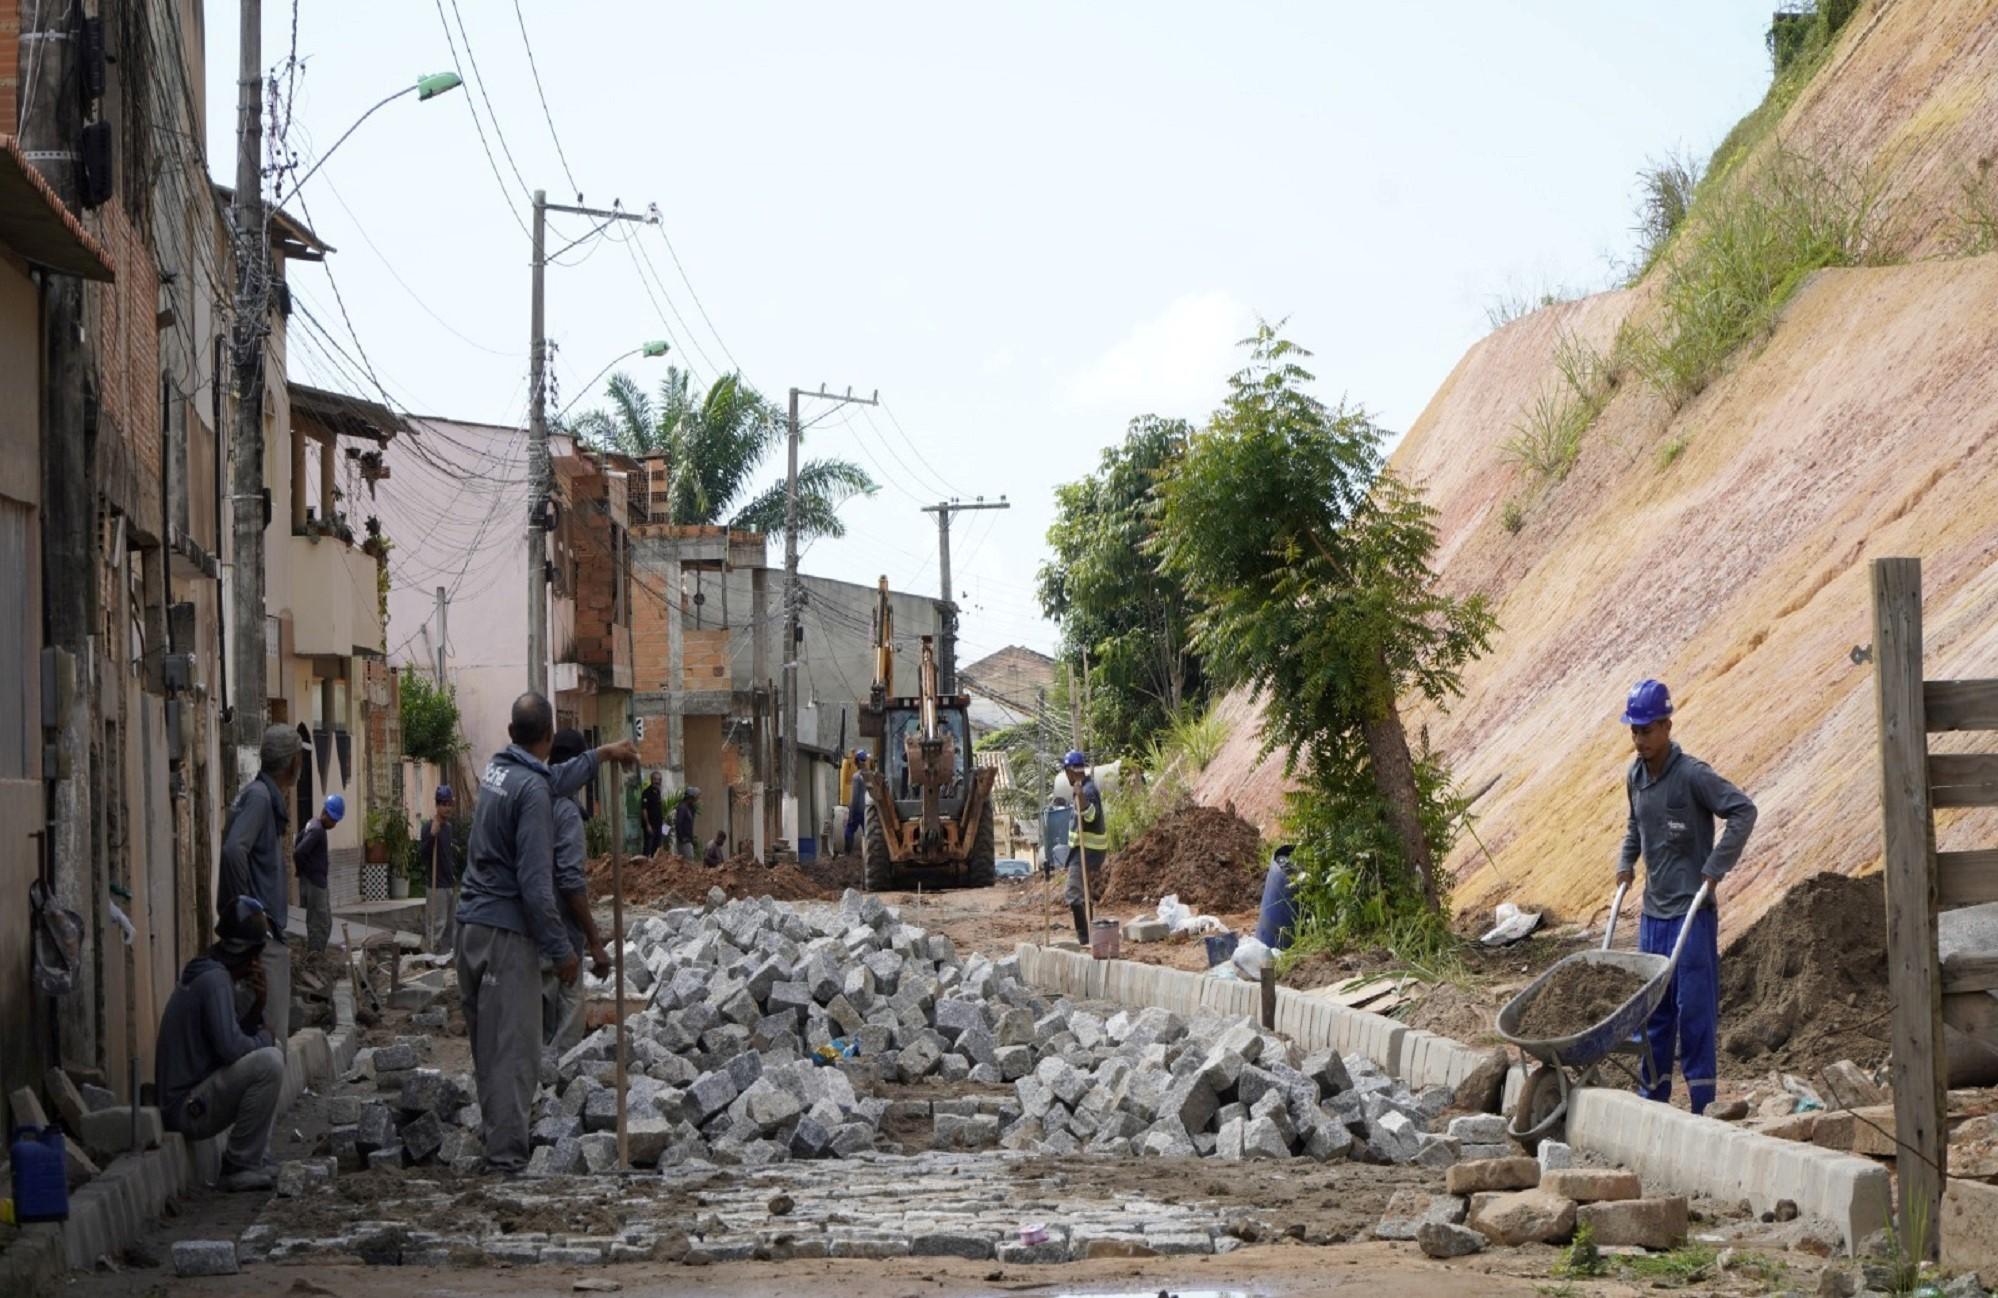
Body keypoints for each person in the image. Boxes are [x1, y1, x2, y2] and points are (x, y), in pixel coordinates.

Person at [457, 693, 639, 1172]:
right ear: (549, 736)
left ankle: (496, 1141)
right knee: (515, 1053)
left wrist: (603, 755)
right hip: (504, 936)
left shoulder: (500, 770)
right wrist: (564, 952)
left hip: (470, 927)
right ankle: (506, 1161)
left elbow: (554, 777)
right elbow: (539, 886)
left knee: (487, 1048)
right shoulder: (534, 794)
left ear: (512, 731)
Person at [1615, 679, 1757, 1117]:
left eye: (1646, 730)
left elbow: (1743, 811)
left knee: (1693, 1011)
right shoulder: (1635, 776)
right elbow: (1634, 825)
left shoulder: (1694, 775)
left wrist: (1715, 868)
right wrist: (1626, 861)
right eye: (1634, 731)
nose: (1639, 740)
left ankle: (1702, 1105)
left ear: (1667, 726)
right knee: (1652, 1012)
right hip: (1653, 916)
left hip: (1691, 914)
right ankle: (1653, 1098)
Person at [156, 896, 288, 1191]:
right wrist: (264, 1037)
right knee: (270, 1060)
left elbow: (227, 1042)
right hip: (186, 1108)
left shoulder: (212, 972)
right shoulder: (214, 980)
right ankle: (239, 1165)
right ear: (252, 955)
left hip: (193, 1097)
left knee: (270, 1052)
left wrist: (257, 1006)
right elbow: (230, 1049)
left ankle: (254, 1157)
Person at [218, 724, 301, 1053]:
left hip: (261, 940)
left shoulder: (259, 795)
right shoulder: (260, 798)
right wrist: (251, 916)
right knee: (270, 1040)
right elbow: (233, 851)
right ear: (293, 763)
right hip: (262, 944)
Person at [543, 729, 611, 1065]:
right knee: (565, 1048)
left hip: (531, 934)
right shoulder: (566, 813)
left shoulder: (530, 798)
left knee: (538, 1036)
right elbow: (570, 881)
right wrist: (595, 942)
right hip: (561, 942)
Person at [1062, 750, 1108, 946]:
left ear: (1071, 772)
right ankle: (1089, 935)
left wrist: (1080, 797)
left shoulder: (1087, 790)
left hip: (1087, 852)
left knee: (1073, 892)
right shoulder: (1082, 788)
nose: (1066, 776)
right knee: (1084, 893)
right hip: (1083, 851)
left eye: (1067, 772)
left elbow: (1090, 815)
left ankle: (1084, 939)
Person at [293, 794, 343, 956]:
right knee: (319, 921)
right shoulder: (317, 830)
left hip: (317, 881)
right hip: (315, 883)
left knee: (324, 920)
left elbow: (298, 840)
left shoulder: (312, 824)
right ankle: (315, 955)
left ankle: (317, 953)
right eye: (333, 821)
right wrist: (306, 872)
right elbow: (299, 852)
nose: (334, 825)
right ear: (326, 814)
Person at [419, 785, 458, 954]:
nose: (447, 807)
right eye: (444, 804)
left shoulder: (448, 828)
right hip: (436, 886)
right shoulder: (429, 827)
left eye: (449, 804)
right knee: (436, 925)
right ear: (437, 804)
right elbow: (424, 855)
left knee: (450, 926)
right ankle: (432, 957)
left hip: (448, 884)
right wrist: (432, 835)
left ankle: (446, 958)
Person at [844, 750, 870, 855]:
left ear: (856, 762)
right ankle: (868, 853)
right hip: (868, 810)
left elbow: (854, 797)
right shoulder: (871, 775)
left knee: (849, 830)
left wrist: (851, 814)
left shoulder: (856, 777)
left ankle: (848, 852)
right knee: (867, 834)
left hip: (858, 810)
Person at [640, 773, 664, 857]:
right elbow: (644, 809)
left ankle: (654, 867)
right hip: (650, 825)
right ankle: (644, 866)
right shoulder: (646, 793)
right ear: (651, 780)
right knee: (648, 847)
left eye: (659, 779)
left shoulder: (658, 792)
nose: (657, 781)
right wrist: (648, 825)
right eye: (655, 779)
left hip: (658, 825)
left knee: (657, 847)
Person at [674, 786, 699, 860]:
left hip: (688, 840)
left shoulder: (689, 807)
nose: (695, 800)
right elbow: (678, 823)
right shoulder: (682, 807)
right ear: (690, 797)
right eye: (694, 798)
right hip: (684, 841)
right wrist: (682, 838)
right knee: (688, 862)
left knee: (689, 861)